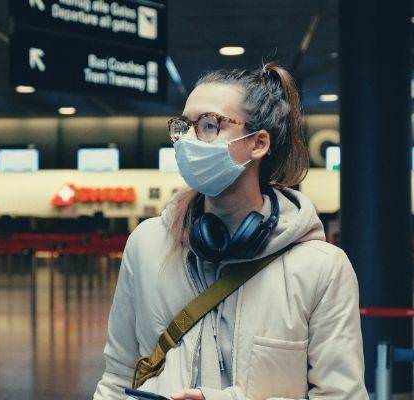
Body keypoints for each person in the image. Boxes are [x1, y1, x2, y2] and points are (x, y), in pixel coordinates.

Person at [92, 62, 367, 400]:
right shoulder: (146, 246)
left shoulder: (321, 268)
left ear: (258, 143)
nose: (189, 141)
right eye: (184, 126)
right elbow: (118, 377)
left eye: (209, 125)